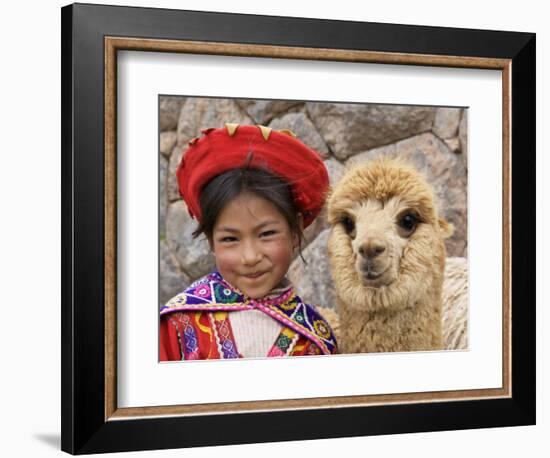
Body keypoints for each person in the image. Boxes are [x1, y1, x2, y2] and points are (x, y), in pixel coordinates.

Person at [160, 123, 338, 361]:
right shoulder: (178, 324)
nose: (250, 256)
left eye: (266, 234)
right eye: (230, 239)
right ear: (211, 241)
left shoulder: (316, 340)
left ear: (294, 231)